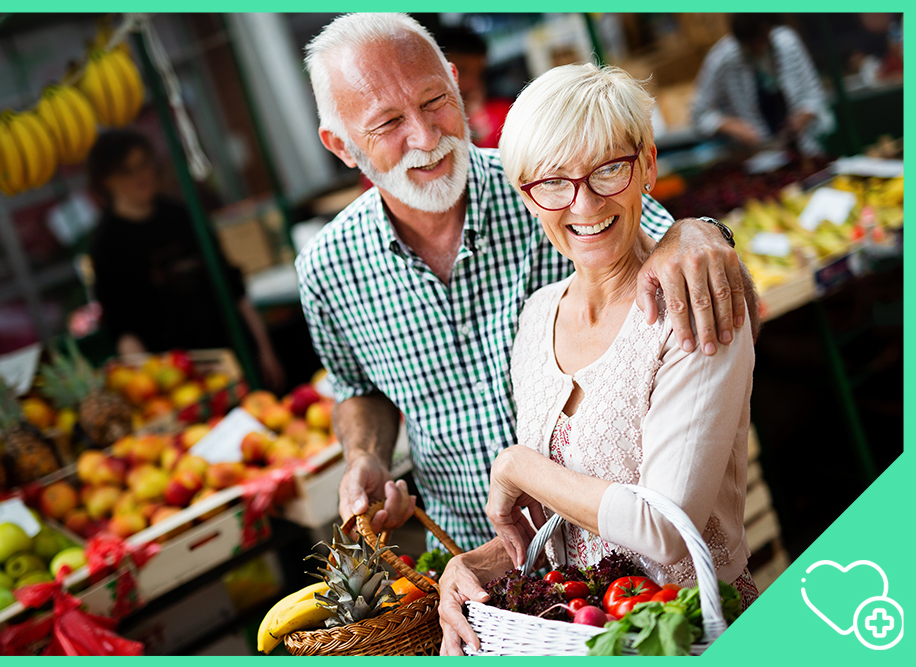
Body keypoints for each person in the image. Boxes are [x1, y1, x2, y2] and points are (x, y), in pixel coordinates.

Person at [296, 13, 756, 554]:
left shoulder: (545, 184)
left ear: (456, 81)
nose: (424, 137)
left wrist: (697, 231)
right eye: (387, 123)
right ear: (342, 145)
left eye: (433, 101)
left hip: (608, 553)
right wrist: (366, 456)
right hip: (469, 556)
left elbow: (669, 246)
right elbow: (359, 389)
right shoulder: (327, 269)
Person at [439, 63, 758, 654]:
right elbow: (568, 515)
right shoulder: (536, 318)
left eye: (608, 169)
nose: (583, 203)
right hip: (582, 636)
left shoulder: (692, 305)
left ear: (648, 166)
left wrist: (515, 466)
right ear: (526, 195)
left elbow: (663, 529)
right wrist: (480, 565)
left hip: (691, 636)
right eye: (553, 182)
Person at [87, 130, 285, 390]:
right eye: (127, 171)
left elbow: (233, 287)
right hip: (181, 380)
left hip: (235, 356)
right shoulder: (107, 246)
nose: (141, 176)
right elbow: (123, 327)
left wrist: (265, 351)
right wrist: (153, 387)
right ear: (107, 181)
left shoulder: (182, 216)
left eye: (144, 164)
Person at [689, 14, 834, 157]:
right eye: (750, 44)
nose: (757, 48)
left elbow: (814, 94)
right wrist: (732, 126)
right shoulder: (722, 59)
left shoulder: (788, 43)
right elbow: (699, 116)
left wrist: (802, 118)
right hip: (755, 158)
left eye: (760, 40)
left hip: (805, 151)